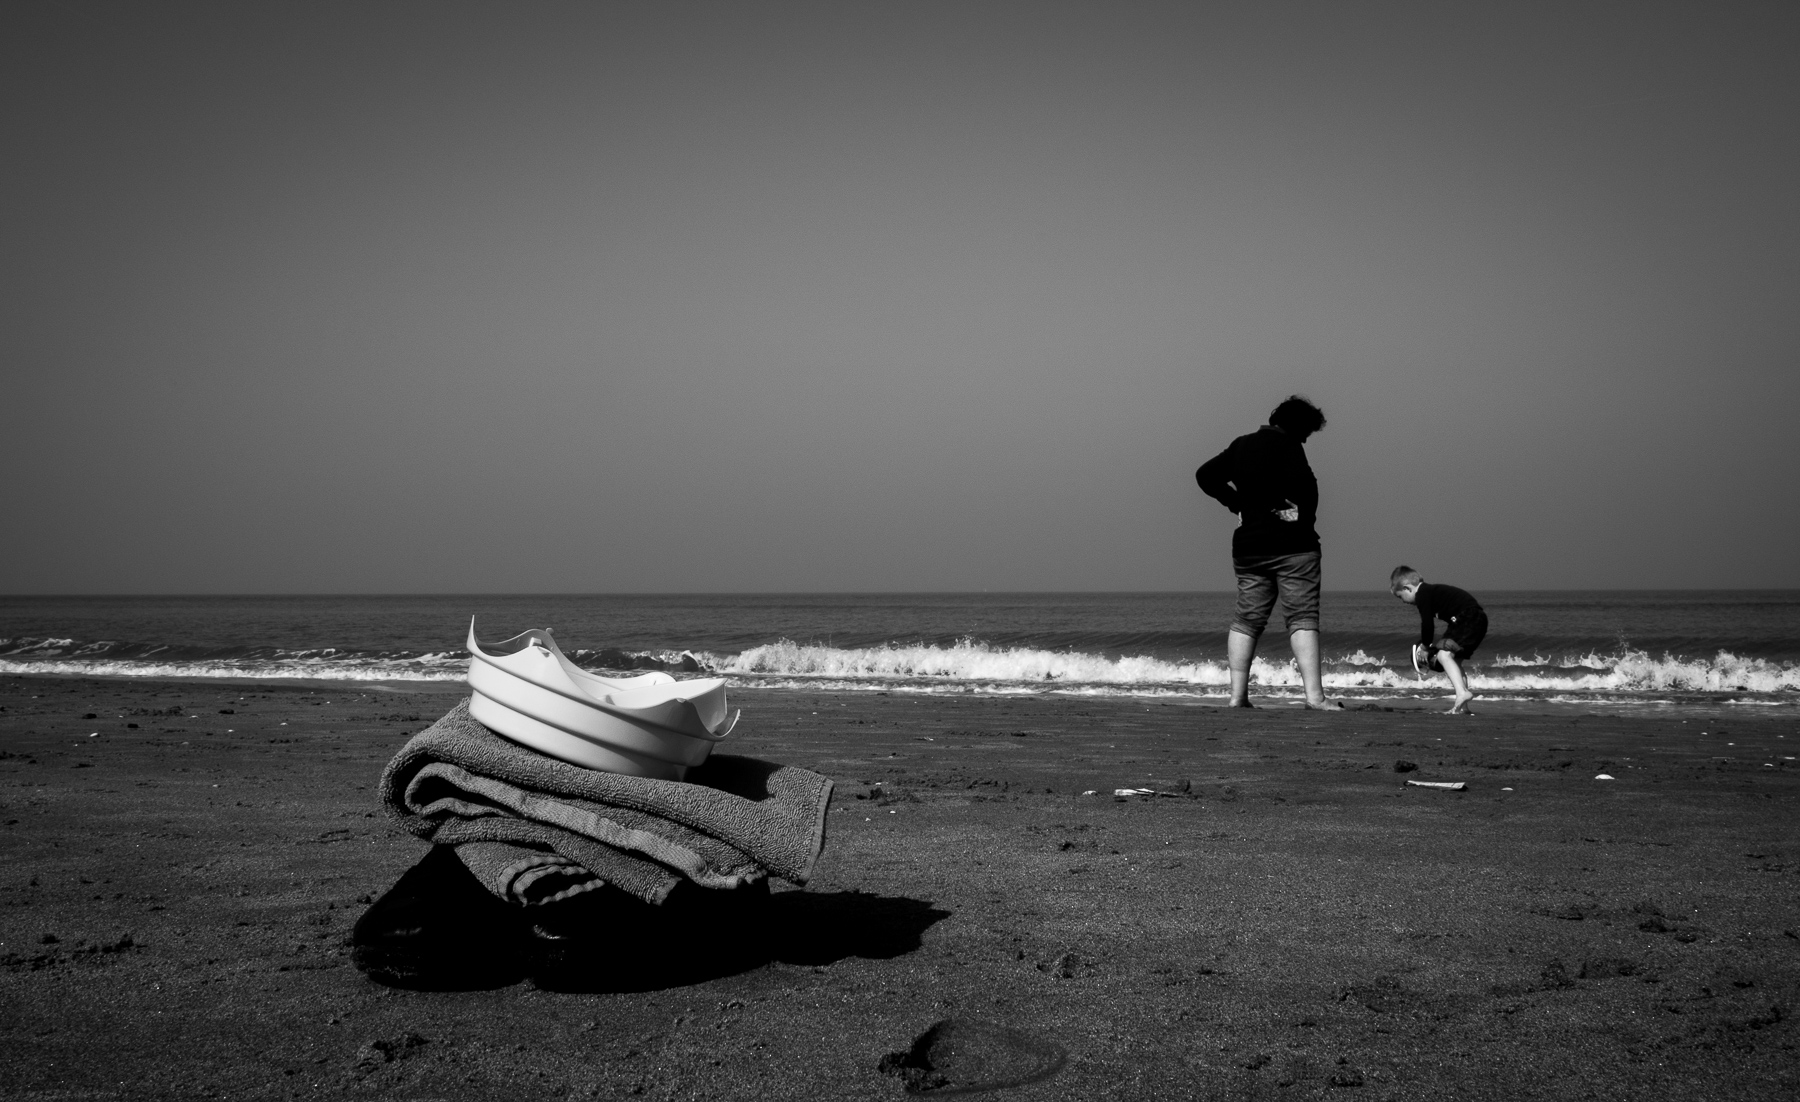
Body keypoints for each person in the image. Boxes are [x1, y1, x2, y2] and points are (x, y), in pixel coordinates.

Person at [1196, 396, 1339, 709]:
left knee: (1247, 619)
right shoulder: (1289, 446)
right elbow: (1305, 490)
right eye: (1307, 432)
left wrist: (1238, 503)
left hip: (1249, 547)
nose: (1306, 438)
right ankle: (1315, 698)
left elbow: (1205, 475)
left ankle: (1237, 697)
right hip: (1294, 547)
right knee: (1302, 616)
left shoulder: (1241, 445)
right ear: (1297, 426)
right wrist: (1297, 517)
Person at [1390, 566, 1486, 714]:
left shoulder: (1423, 594)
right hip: (1477, 620)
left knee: (1443, 655)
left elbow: (1427, 624)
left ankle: (1462, 694)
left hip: (1467, 618)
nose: (1403, 601)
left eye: (1400, 596)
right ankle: (1463, 707)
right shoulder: (1431, 592)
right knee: (1455, 661)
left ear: (1408, 588)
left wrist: (1425, 646)